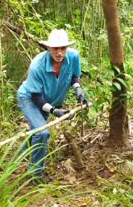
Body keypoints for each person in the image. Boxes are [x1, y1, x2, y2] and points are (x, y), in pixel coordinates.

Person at [17, 29, 88, 180]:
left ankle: (19, 156)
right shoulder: (37, 65)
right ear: (48, 48)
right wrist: (55, 111)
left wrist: (78, 90)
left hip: (48, 100)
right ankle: (35, 173)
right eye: (56, 48)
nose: (60, 52)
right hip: (29, 98)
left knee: (37, 130)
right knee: (42, 132)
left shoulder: (73, 56)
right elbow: (36, 97)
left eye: (63, 48)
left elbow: (74, 76)